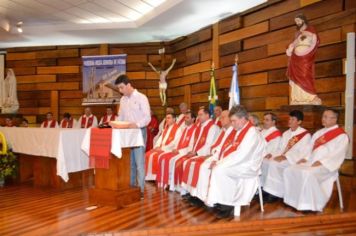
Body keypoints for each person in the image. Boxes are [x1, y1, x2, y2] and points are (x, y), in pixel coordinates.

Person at [194, 105, 266, 218]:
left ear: (242, 119)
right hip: (239, 162)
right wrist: (218, 160)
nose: (232, 124)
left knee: (219, 170)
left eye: (234, 121)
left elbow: (241, 155)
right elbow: (228, 150)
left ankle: (227, 205)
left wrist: (220, 163)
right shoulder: (240, 129)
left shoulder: (251, 133)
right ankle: (216, 200)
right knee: (211, 166)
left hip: (248, 166)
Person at [283, 109, 348, 211]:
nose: (324, 119)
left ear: (335, 119)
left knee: (307, 174)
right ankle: (293, 201)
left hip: (327, 166)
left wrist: (322, 162)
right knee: (289, 170)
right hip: (311, 162)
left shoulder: (341, 135)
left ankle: (309, 204)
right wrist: (305, 158)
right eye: (323, 116)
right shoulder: (319, 133)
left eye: (327, 117)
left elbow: (337, 154)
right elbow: (310, 148)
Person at [181, 110, 236, 197]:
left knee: (201, 167)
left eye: (223, 117)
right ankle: (193, 193)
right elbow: (215, 145)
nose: (220, 119)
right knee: (190, 163)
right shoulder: (223, 130)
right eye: (220, 117)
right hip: (213, 155)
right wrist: (211, 154)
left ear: (230, 119)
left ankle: (202, 195)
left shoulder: (231, 131)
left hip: (220, 158)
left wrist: (200, 153)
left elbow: (216, 146)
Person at [263, 110, 311, 202]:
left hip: (294, 160)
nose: (290, 121)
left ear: (299, 122)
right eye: (289, 119)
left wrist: (286, 157)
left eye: (293, 119)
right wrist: (271, 154)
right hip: (283, 157)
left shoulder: (305, 135)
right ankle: (266, 188)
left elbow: (303, 153)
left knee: (274, 164)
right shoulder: (286, 133)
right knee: (266, 161)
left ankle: (275, 193)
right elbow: (280, 149)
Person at [115, 74, 151, 197]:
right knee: (129, 162)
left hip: (139, 132)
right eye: (119, 88)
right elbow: (121, 117)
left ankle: (140, 190)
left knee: (139, 163)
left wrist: (137, 125)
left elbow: (147, 117)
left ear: (128, 85)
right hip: (127, 134)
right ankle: (131, 187)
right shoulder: (123, 100)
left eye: (121, 88)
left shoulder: (141, 97)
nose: (120, 91)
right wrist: (115, 123)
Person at [172, 107, 220, 192]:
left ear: (207, 115)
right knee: (180, 161)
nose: (199, 117)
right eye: (198, 115)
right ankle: (186, 190)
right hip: (196, 153)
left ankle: (192, 192)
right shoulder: (200, 127)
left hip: (205, 154)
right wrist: (192, 150)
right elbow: (195, 142)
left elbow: (209, 144)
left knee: (188, 163)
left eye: (201, 115)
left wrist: (196, 152)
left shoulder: (213, 127)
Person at [156, 110, 197, 189]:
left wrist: (179, 151)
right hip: (179, 150)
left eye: (187, 118)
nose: (185, 119)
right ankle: (165, 182)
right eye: (185, 117)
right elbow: (178, 142)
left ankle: (174, 185)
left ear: (193, 119)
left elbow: (192, 146)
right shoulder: (185, 129)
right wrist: (176, 148)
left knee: (172, 160)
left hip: (185, 152)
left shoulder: (195, 129)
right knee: (163, 157)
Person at [286, 14, 321, 105]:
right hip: (296, 59)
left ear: (303, 20)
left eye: (298, 20)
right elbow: (293, 43)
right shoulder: (298, 34)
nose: (297, 23)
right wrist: (290, 49)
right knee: (296, 78)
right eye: (296, 21)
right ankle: (297, 99)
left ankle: (310, 97)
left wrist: (308, 52)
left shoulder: (311, 31)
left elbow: (315, 42)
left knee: (305, 75)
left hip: (306, 58)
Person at [145, 113, 182, 180]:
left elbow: (175, 142)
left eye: (169, 118)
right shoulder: (165, 128)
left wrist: (162, 148)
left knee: (159, 157)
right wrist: (157, 146)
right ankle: (150, 176)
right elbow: (160, 139)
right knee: (147, 154)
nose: (167, 120)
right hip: (161, 148)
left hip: (169, 150)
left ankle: (157, 176)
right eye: (166, 118)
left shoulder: (178, 129)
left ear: (174, 119)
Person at [260, 112, 282, 184]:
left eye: (267, 120)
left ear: (273, 122)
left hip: (267, 156)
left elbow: (273, 150)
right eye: (264, 119)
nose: (264, 122)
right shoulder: (263, 131)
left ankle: (262, 185)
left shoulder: (275, 133)